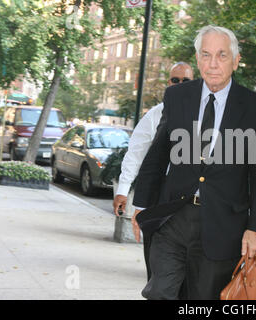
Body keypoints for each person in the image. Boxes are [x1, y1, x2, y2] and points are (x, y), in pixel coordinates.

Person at [131, 25, 256, 300]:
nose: (213, 64)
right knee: (160, 291)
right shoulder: (176, 97)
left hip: (222, 225)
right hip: (172, 218)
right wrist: (142, 204)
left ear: (235, 60)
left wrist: (255, 228)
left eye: (221, 55)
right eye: (206, 55)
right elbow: (158, 155)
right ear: (197, 59)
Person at [112, 62, 194, 281]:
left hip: (189, 202)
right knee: (156, 263)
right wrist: (123, 189)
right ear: (168, 83)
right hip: (158, 197)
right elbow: (135, 153)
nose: (179, 84)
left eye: (185, 81)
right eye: (175, 80)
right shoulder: (155, 115)